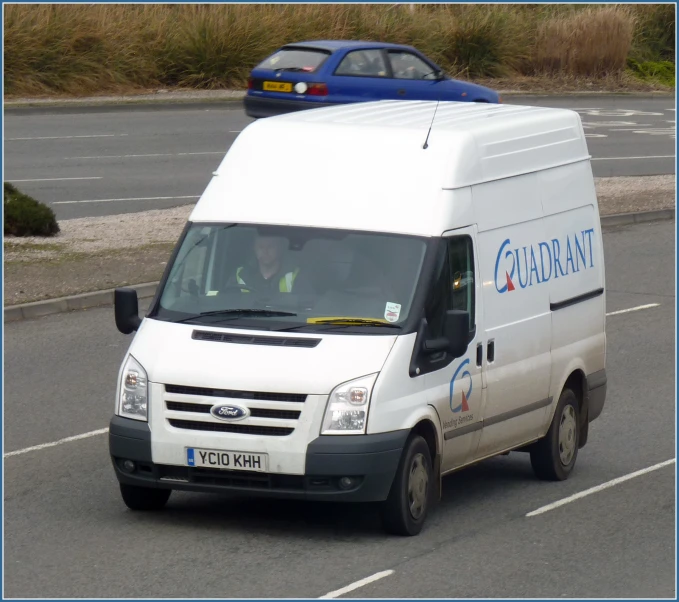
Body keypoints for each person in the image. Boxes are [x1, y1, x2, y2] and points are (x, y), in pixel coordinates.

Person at [230, 234, 313, 294]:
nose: (265, 251)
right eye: (261, 247)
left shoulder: (296, 276)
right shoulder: (240, 275)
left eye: (270, 246)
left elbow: (306, 308)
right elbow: (229, 302)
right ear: (254, 249)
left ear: (279, 249)